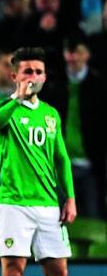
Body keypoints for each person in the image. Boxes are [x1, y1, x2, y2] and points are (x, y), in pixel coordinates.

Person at [0, 47, 95, 276]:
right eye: (27, 72)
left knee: (58, 273)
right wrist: (16, 98)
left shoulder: (50, 114)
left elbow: (62, 158)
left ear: (46, 76)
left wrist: (70, 198)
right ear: (14, 76)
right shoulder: (3, 110)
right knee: (13, 274)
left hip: (49, 205)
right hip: (13, 205)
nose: (33, 77)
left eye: (38, 72)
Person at [48, 39, 106, 218]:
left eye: (78, 52)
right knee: (52, 219)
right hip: (59, 165)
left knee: (93, 219)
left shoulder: (101, 85)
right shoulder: (53, 83)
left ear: (87, 54)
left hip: (91, 166)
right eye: (69, 52)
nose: (73, 58)